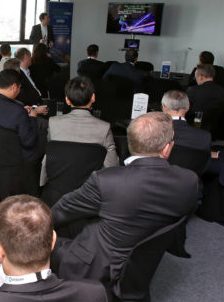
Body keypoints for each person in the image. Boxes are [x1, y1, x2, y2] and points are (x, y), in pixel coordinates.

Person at [51, 112, 198, 284]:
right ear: (166, 149)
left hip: (97, 263)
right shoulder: (189, 181)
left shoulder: (106, 180)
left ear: (129, 143)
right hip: (142, 262)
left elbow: (61, 211)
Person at [47, 76, 119, 168]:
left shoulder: (53, 123)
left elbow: (52, 154)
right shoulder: (104, 128)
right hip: (92, 181)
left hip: (58, 180)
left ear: (67, 100)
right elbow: (111, 166)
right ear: (93, 97)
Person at [0, 69, 43, 161]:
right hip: (16, 157)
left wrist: (21, 111)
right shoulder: (18, 111)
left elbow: (1, 114)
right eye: (19, 87)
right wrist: (32, 118)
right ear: (14, 87)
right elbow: (29, 142)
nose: (19, 90)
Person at [14, 47, 50, 112]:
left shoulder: (30, 71)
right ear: (26, 56)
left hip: (40, 102)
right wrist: (36, 109)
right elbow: (23, 100)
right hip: (32, 109)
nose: (31, 58)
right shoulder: (18, 76)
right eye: (30, 56)